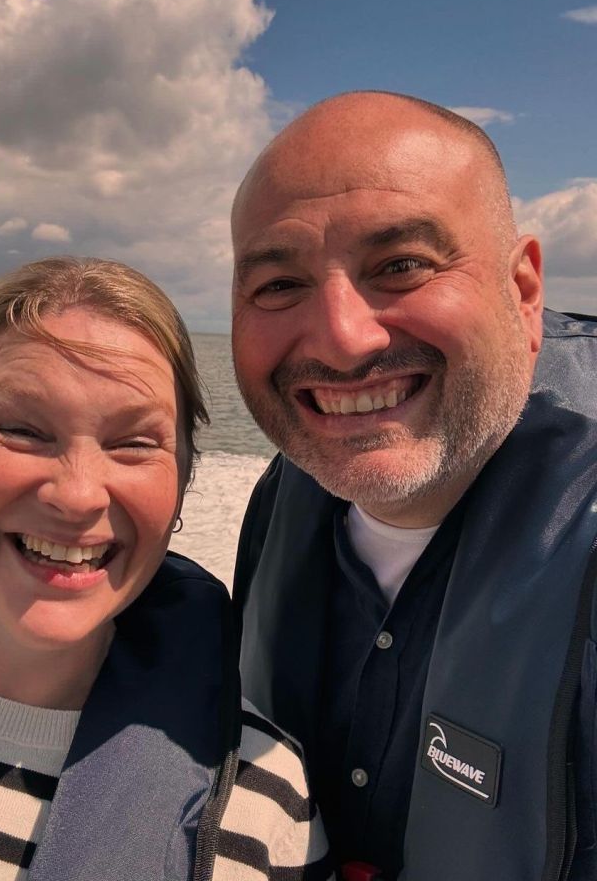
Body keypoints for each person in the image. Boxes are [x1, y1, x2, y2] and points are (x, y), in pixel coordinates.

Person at [0, 257, 332, 881]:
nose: (78, 495)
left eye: (134, 444)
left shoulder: (261, 810)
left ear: (178, 491)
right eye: (21, 430)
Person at [230, 91, 597, 881]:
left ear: (523, 292)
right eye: (279, 285)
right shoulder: (282, 497)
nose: (341, 336)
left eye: (401, 266)